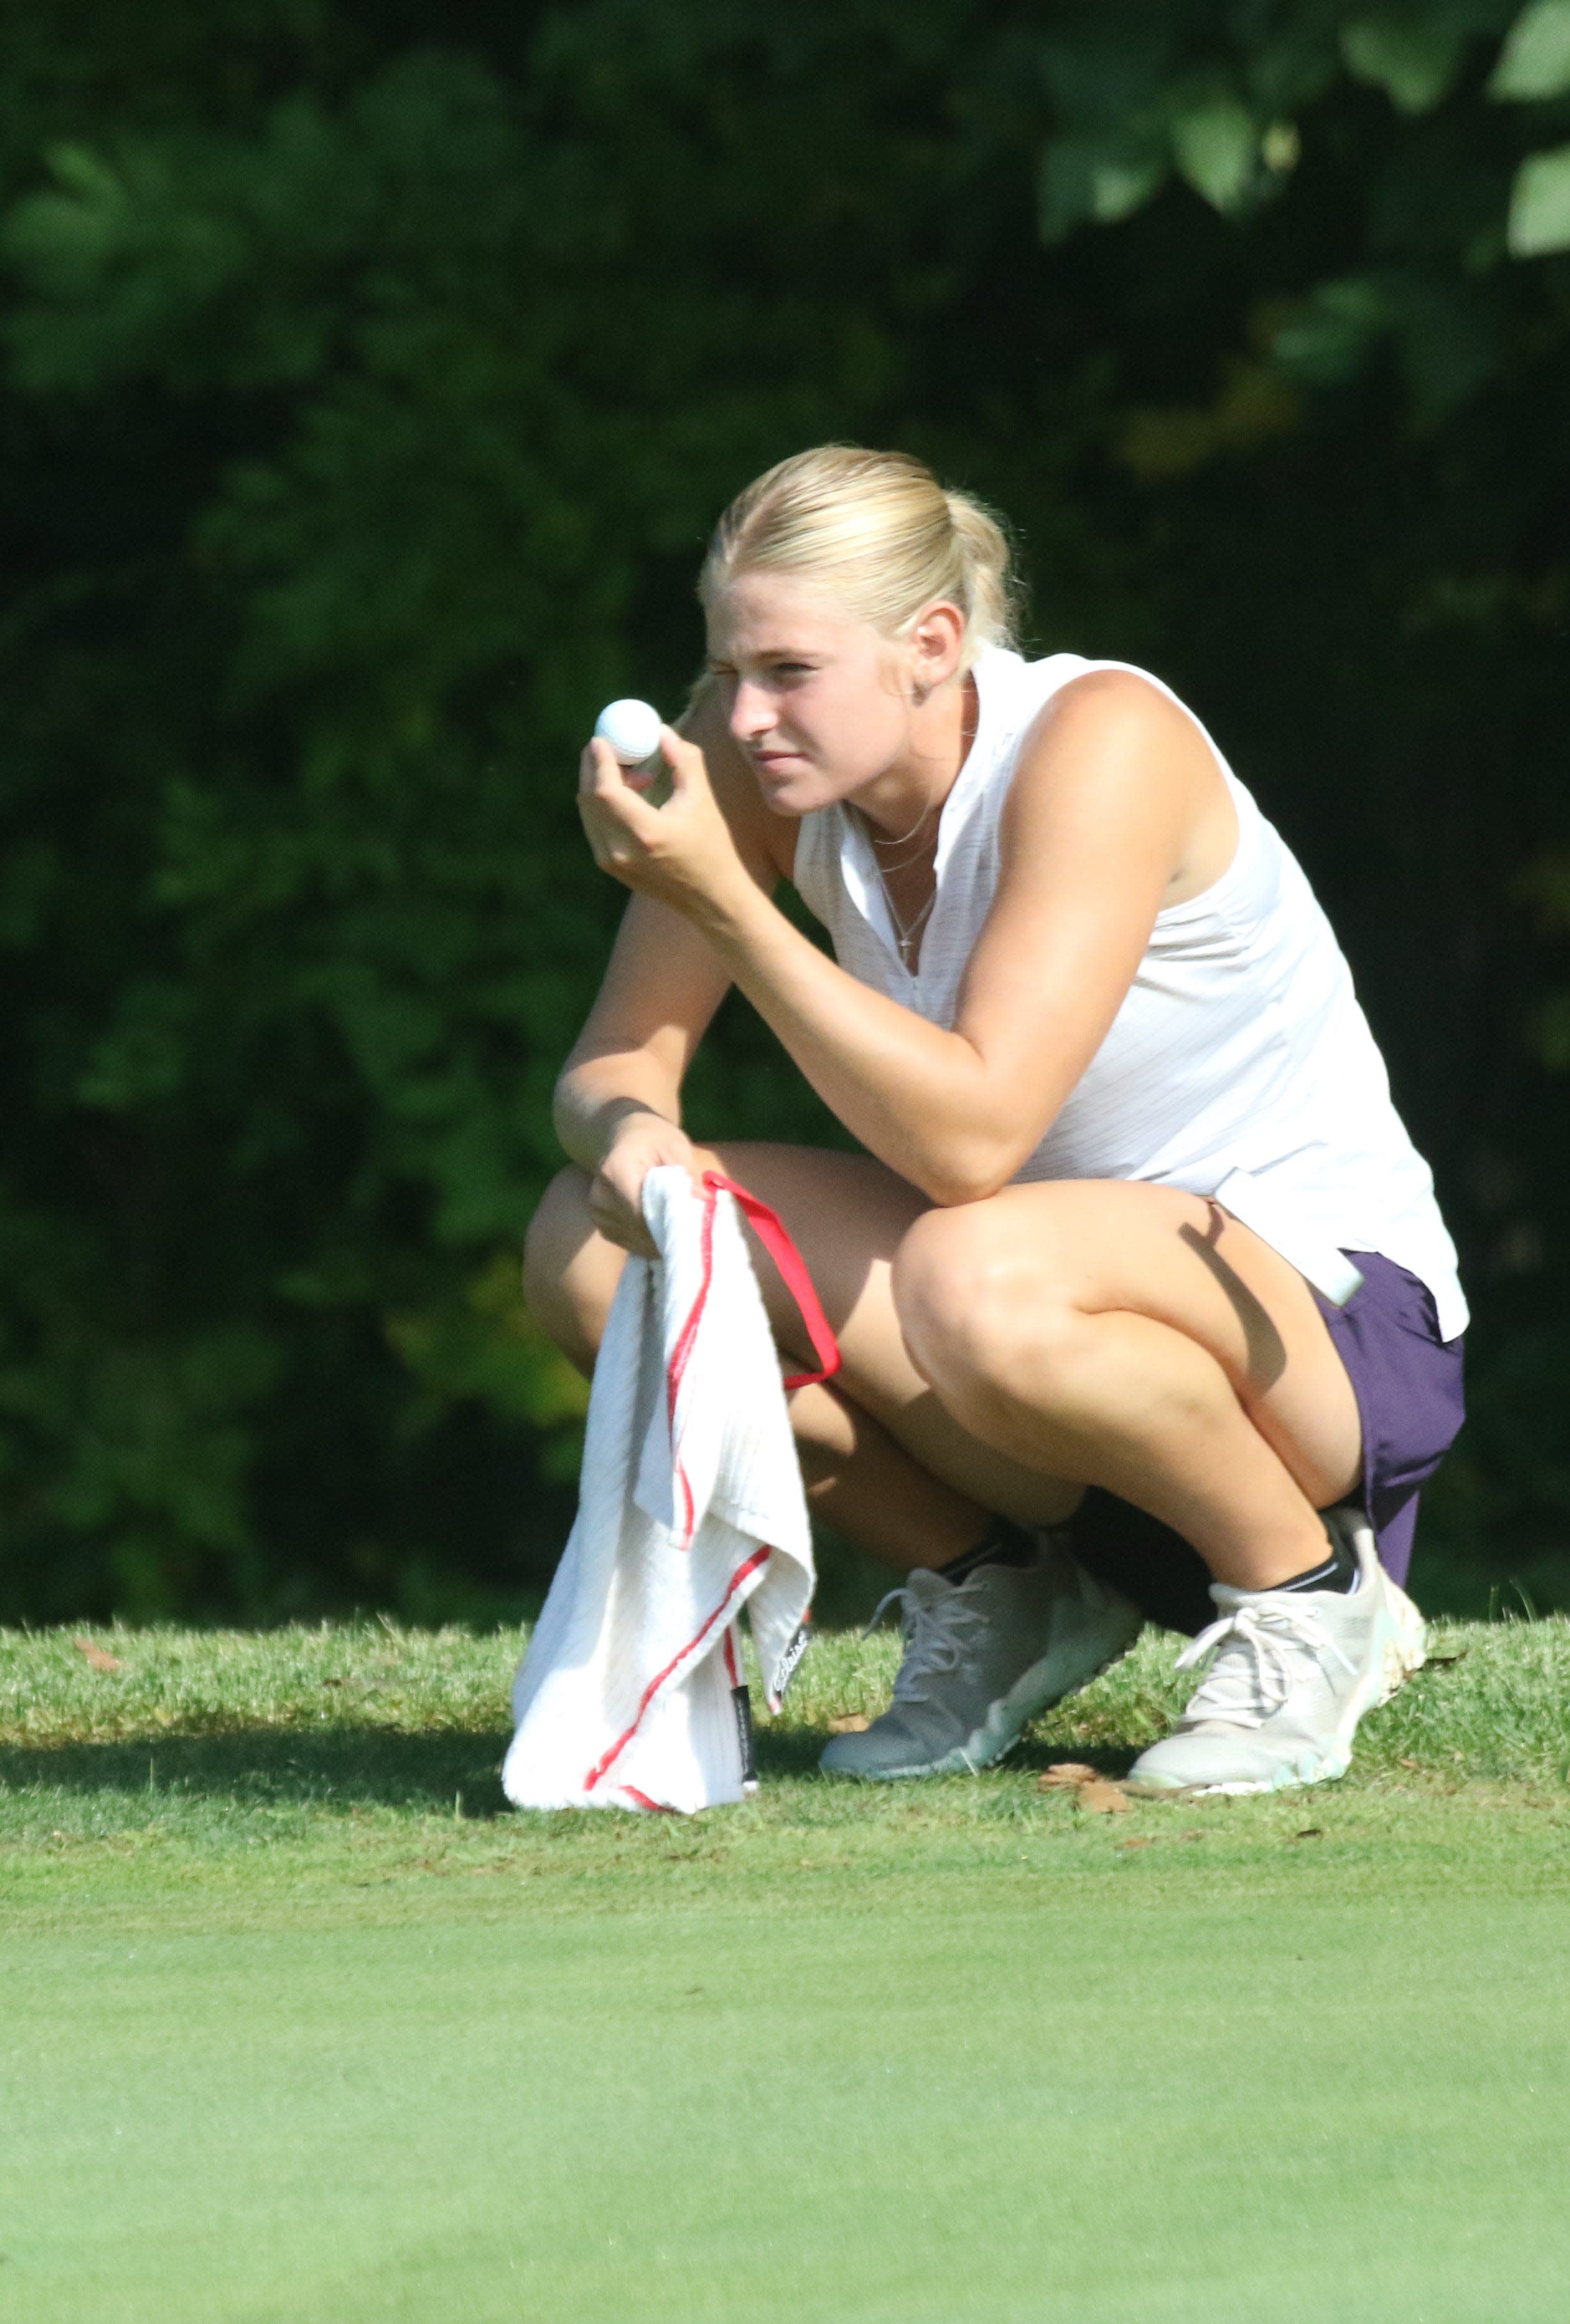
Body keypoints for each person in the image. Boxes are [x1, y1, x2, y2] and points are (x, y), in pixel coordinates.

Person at [521, 445, 1467, 1795]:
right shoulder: (758, 771)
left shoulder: (1102, 740)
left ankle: (1312, 1596)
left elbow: (973, 1141)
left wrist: (732, 907)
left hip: (1324, 1334)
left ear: (933, 643)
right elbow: (611, 1063)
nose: (743, 717)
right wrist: (630, 1144)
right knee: (598, 1252)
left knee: (973, 1270)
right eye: (730, 670)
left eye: (789, 672)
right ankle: (1004, 1590)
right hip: (1020, 1324)